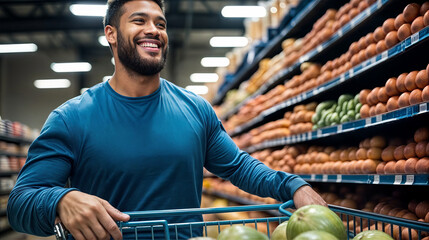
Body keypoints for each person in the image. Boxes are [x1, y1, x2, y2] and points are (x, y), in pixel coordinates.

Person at [7, 0, 326, 239]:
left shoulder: (195, 109)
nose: (153, 30)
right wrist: (61, 199)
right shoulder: (71, 117)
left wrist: (293, 185)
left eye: (160, 24)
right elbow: (20, 204)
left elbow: (239, 166)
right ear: (112, 34)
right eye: (139, 20)